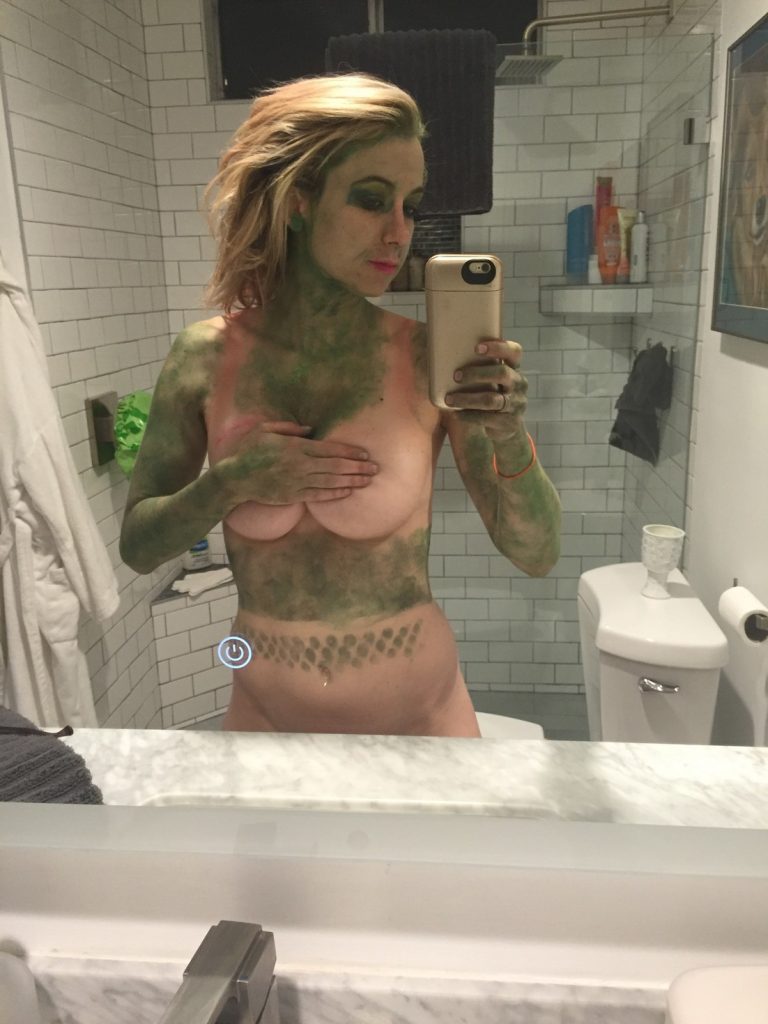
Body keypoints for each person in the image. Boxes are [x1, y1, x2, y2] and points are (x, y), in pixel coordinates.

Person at [119, 73, 561, 737]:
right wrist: (231, 484)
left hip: (423, 717)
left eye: (411, 206)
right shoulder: (205, 357)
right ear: (298, 200)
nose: (399, 233)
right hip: (265, 712)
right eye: (371, 200)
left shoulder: (428, 358)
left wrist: (508, 434)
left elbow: (537, 553)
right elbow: (138, 547)